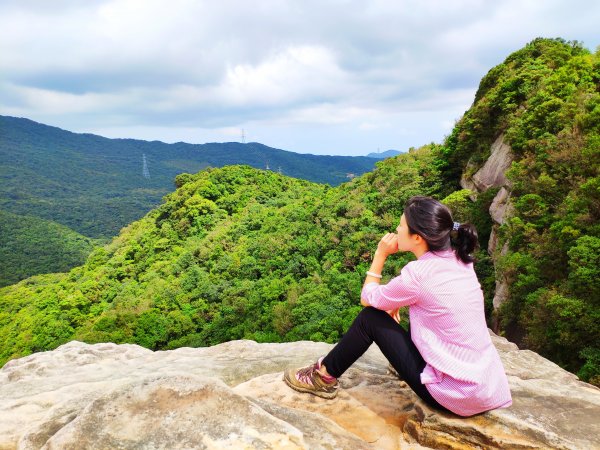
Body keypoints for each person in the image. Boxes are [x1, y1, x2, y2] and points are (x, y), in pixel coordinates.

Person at [283, 196, 512, 416]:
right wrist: (397, 303)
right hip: (486, 388)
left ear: (417, 238)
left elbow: (368, 297)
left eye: (402, 226)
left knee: (369, 319)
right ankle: (401, 366)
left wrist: (379, 255)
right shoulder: (461, 259)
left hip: (453, 395)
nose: (397, 230)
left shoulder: (418, 274)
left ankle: (323, 377)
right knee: (414, 308)